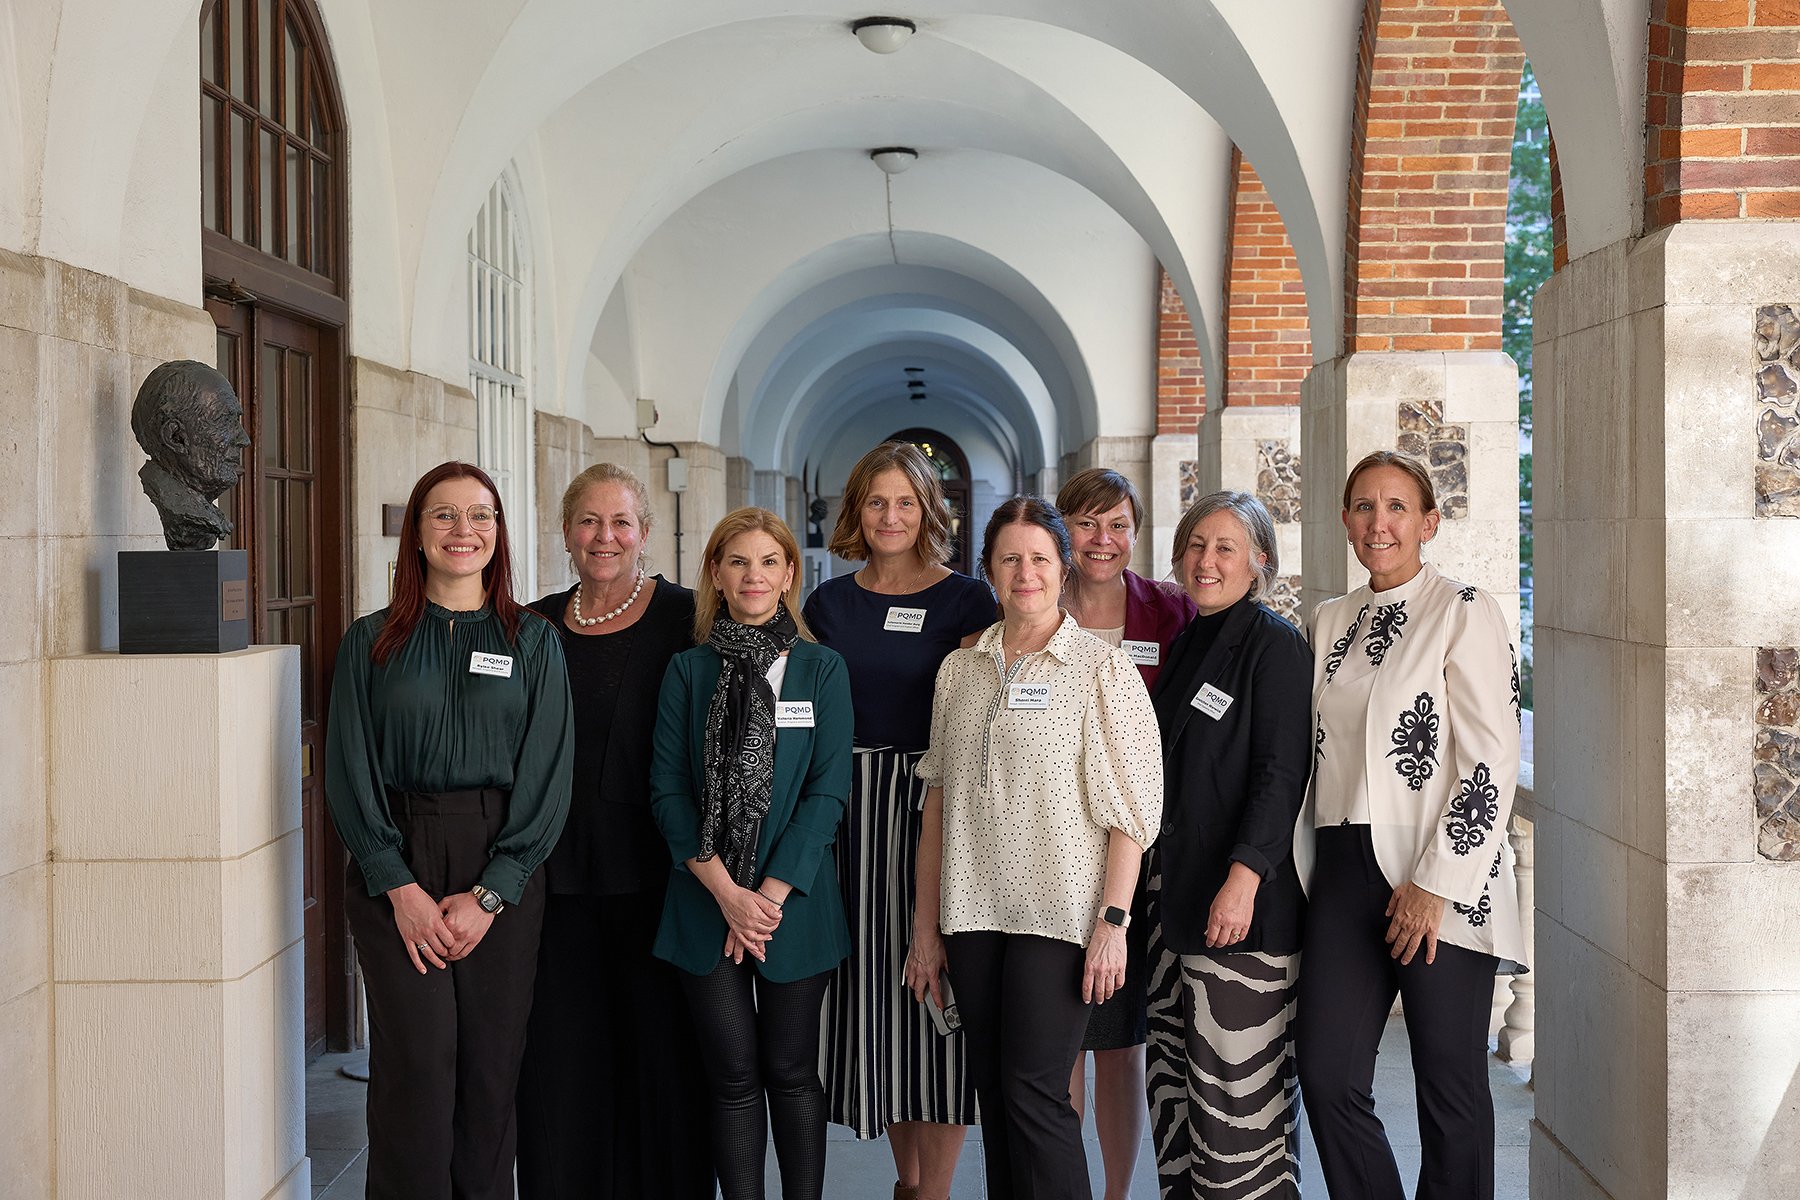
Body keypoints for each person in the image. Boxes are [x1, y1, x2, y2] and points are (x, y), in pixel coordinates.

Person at [323, 460, 573, 1200]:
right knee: (419, 1060)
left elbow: (547, 775)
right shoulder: (373, 641)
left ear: (498, 534)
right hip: (394, 856)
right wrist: (395, 885)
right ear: (418, 533)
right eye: (444, 515)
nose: (463, 531)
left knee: (493, 1065)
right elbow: (348, 767)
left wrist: (492, 893)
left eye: (480, 516)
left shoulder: (534, 642)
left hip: (502, 857)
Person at [906, 497, 1164, 1200]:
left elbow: (1132, 817)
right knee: (995, 1094)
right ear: (988, 568)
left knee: (1035, 1093)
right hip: (972, 913)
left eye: (1039, 558)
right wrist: (925, 930)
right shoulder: (959, 672)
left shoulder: (1101, 670)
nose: (1026, 573)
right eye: (1010, 558)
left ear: (1063, 567)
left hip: (1060, 916)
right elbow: (937, 808)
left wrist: (1113, 927)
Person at [1294, 451, 1526, 1200]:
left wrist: (1436, 882)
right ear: (1345, 522)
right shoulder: (1327, 620)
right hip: (1339, 866)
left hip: (1435, 870)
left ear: (1428, 522)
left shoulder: (1464, 610)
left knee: (1450, 1091)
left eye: (1397, 507)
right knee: (1327, 1076)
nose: (1379, 522)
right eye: (1364, 506)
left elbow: (1491, 758)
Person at [515, 463, 715, 1198]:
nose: (605, 538)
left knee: (664, 1057)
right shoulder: (530, 625)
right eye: (589, 522)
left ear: (645, 532)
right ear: (566, 531)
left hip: (666, 878)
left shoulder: (691, 618)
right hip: (555, 879)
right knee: (562, 1057)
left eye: (620, 522)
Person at [806, 442, 996, 1200]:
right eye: (876, 502)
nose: (891, 516)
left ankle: (936, 1191)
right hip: (851, 811)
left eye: (905, 502)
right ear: (857, 511)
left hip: (934, 804)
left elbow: (975, 719)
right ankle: (906, 1182)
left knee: (933, 987)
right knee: (875, 1000)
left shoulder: (968, 602)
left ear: (929, 511)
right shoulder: (826, 605)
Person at [650, 507, 855, 1200]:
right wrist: (727, 896)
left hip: (792, 904)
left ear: (790, 574)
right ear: (716, 573)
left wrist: (764, 898)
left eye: (769, 561)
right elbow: (668, 793)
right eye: (738, 561)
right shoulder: (687, 671)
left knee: (792, 1071)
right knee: (732, 1077)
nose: (754, 575)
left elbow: (828, 794)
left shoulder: (822, 669)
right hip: (706, 902)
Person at [1143, 492, 1311, 1199]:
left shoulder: (1274, 646)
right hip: (1174, 901)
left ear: (1259, 563)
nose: (1205, 560)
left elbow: (1282, 774)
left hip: (1241, 914)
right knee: (1177, 1100)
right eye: (1196, 545)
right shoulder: (1189, 640)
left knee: (1239, 1111)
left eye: (1225, 548)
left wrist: (1244, 877)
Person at [1053, 468, 1195, 1200]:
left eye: (1117, 525)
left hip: (1144, 849)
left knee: (1123, 1037)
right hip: (1054, 847)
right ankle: (1068, 1183)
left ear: (1135, 532)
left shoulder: (1171, 613)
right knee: (1066, 1035)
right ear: (1062, 529)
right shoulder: (1039, 602)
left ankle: (1115, 1191)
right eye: (1086, 523)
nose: (1102, 540)